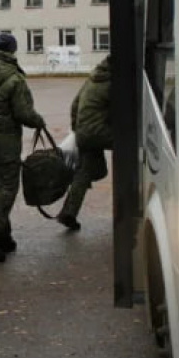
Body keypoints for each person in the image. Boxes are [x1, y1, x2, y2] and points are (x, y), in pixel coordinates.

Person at [0, 33, 46, 263]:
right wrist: (38, 121)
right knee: (6, 192)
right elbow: (23, 113)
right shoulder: (14, 78)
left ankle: (4, 238)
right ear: (11, 51)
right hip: (5, 145)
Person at [57, 57, 112, 231]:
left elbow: (75, 104)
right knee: (134, 148)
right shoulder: (115, 82)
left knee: (84, 172)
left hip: (83, 133)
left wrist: (77, 129)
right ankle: (128, 206)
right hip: (101, 132)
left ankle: (69, 212)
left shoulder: (93, 78)